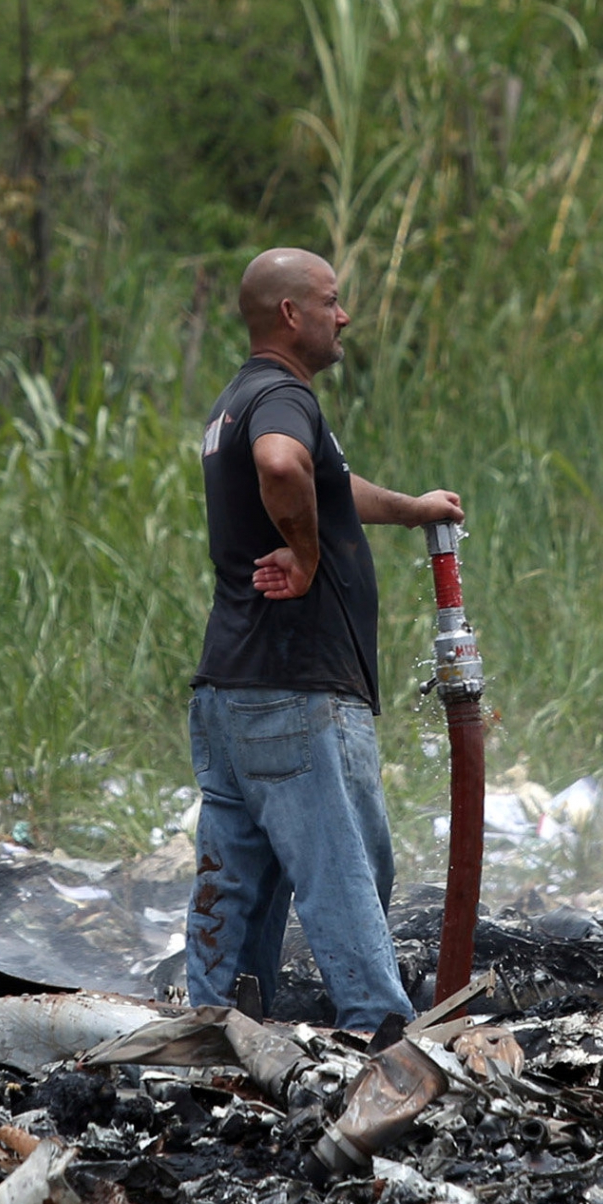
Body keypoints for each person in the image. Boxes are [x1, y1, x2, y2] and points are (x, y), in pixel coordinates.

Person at [183, 246, 462, 1039]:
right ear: (289, 316)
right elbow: (283, 464)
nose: (343, 318)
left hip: (229, 692)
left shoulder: (237, 400)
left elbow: (324, 484)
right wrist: (305, 558)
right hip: (294, 691)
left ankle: (217, 1030)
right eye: (331, 302)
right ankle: (381, 1036)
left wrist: (412, 508)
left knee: (236, 875)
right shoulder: (283, 399)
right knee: (347, 869)